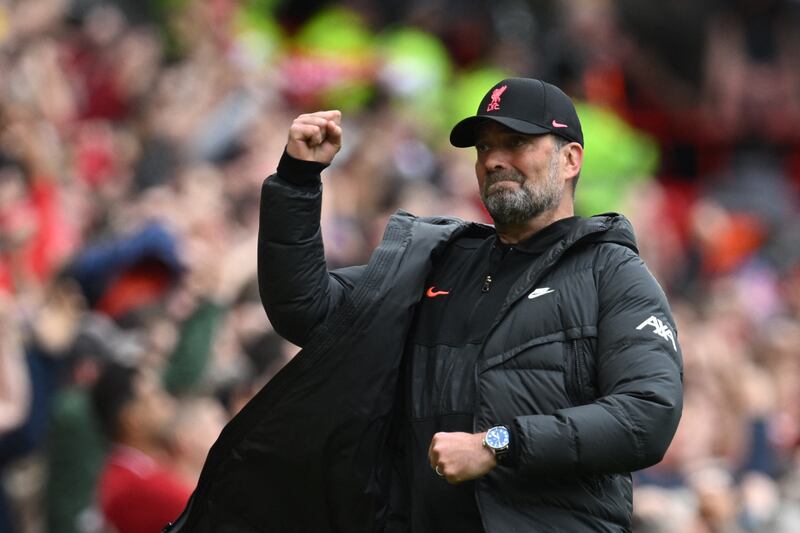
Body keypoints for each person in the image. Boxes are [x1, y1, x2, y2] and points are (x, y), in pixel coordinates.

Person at [168, 78, 683, 532]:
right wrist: (297, 183)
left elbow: (647, 414)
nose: (494, 159)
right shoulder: (437, 262)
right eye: (484, 147)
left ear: (570, 159)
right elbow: (306, 311)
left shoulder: (611, 273)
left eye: (517, 142)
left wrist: (498, 444)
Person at [91, 362, 192, 533]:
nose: (169, 402)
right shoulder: (138, 486)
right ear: (132, 418)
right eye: (156, 395)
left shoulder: (131, 472)